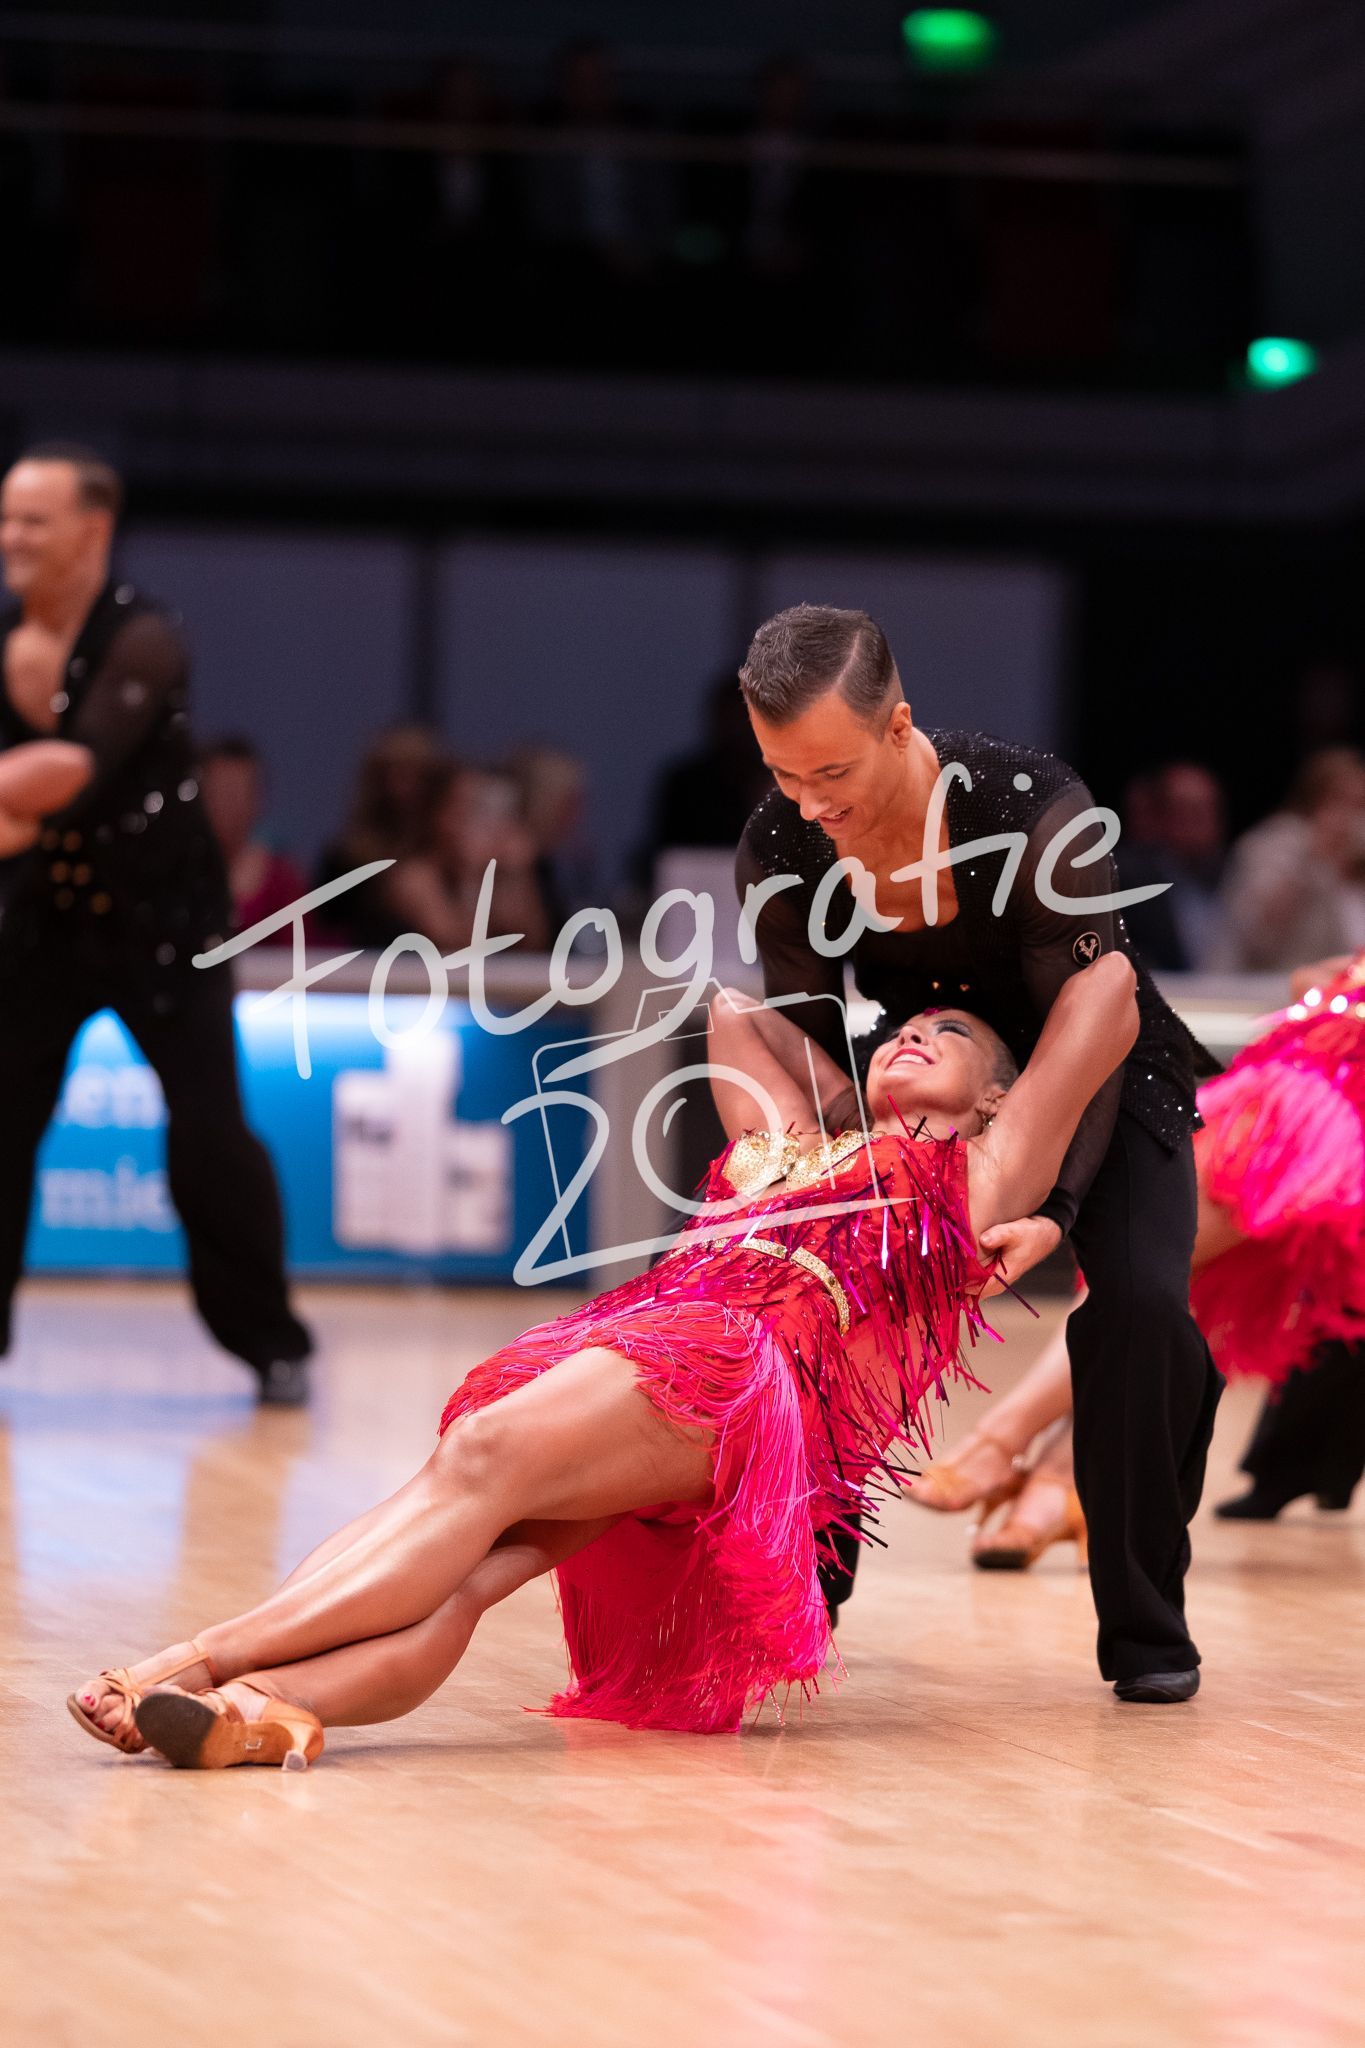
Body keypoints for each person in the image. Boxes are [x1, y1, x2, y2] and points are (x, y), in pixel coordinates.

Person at [67, 950, 1138, 1769]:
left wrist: (1054, 1200)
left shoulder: (984, 1173)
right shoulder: (790, 1143)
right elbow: (733, 1009)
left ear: (999, 1096)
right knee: (483, 1561)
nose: (912, 1031)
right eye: (899, 1025)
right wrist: (850, 1097)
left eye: (947, 1033)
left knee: (476, 1460)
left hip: (726, 1379)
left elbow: (1109, 989)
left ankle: (195, 1659)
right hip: (657, 1365)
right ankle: (263, 1712)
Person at [735, 603, 1222, 1705]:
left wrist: (1055, 1210)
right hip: (930, 1078)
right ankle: (805, 1595)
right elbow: (809, 1038)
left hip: (1106, 1071)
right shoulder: (782, 841)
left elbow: (1093, 1024)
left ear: (899, 725)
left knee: (1143, 1314)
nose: (810, 804)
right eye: (782, 773)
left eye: (831, 772)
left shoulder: (1033, 812)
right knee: (819, 1301)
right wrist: (834, 1188)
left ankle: (1146, 1629)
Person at [0, 444, 312, 1405]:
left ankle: (272, 1344)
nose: (11, 537)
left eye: (34, 520)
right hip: (44, 923)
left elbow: (68, 773)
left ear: (92, 530)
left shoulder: (144, 638)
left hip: (166, 930)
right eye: (6, 517)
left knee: (211, 1138)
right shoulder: (6, 641)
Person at [917, 951, 1365, 1551]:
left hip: (1315, 1122)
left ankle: (1000, 1444)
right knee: (1158, 1291)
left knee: (1148, 1286)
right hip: (1302, 1106)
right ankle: (1055, 1489)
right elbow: (1310, 977)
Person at [1212, 748, 1365, 971]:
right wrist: (1312, 858)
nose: (1351, 817)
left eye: (1360, 805)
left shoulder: (1355, 856)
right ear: (1315, 799)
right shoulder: (1276, 842)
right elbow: (1255, 935)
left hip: (1333, 984)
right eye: (1341, 801)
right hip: (1260, 984)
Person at [384, 763, 553, 955]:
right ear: (440, 815)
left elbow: (532, 944)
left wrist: (516, 876)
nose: (490, 828)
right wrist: (470, 875)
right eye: (474, 812)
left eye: (499, 816)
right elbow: (456, 946)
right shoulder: (414, 877)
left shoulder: (502, 873)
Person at [313, 725, 449, 949]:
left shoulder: (450, 861)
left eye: (415, 773)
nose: (400, 786)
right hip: (365, 965)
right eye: (391, 772)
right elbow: (325, 935)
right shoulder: (346, 859)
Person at [198, 733, 308, 933]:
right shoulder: (178, 874)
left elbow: (303, 946)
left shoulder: (281, 881)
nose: (229, 805)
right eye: (220, 790)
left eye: (239, 793)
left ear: (258, 800)